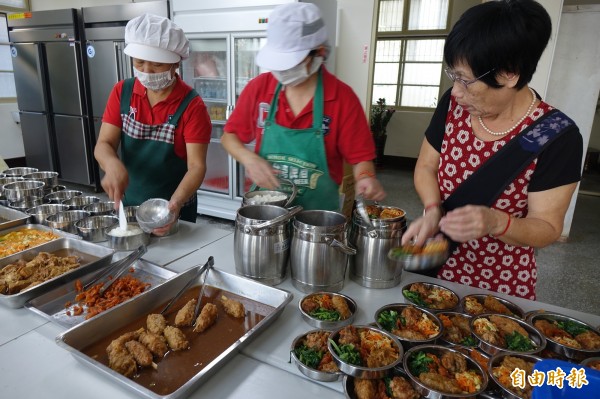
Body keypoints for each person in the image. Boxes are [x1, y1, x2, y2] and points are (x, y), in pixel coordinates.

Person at [400, 0, 583, 300]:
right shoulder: (453, 106)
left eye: (466, 80)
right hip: (434, 269)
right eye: (453, 76)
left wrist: (496, 222)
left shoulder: (557, 137)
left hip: (498, 285)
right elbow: (426, 167)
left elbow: (547, 226)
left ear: (509, 75)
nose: (456, 91)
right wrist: (433, 209)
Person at [221, 2, 385, 211]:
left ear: (319, 52)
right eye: (278, 64)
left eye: (291, 63)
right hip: (267, 213)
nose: (282, 71)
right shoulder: (260, 88)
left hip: (316, 221)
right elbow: (229, 136)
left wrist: (366, 178)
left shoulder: (342, 98)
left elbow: (361, 158)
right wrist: (249, 158)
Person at [94, 14, 211, 233]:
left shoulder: (192, 106)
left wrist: (174, 205)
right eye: (139, 62)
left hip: (172, 208)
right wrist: (111, 164)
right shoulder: (123, 92)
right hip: (128, 206)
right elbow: (104, 143)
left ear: (176, 62)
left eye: (157, 64)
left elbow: (196, 166)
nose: (146, 70)